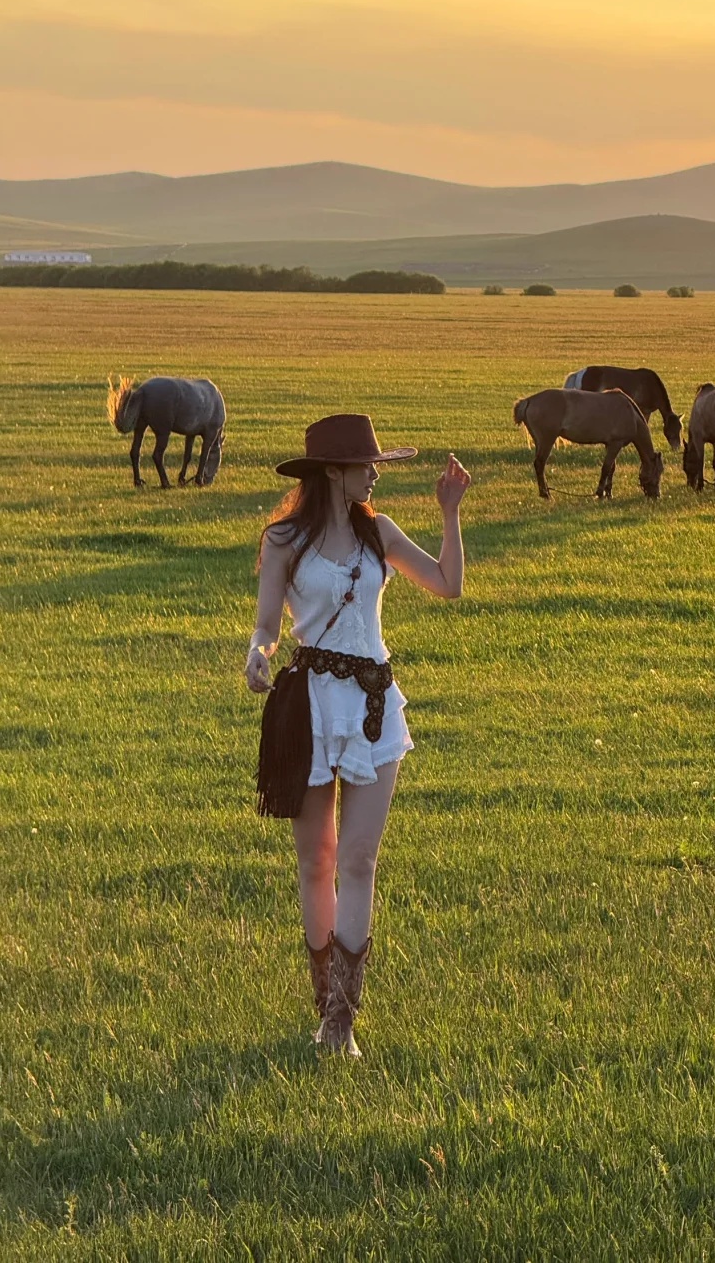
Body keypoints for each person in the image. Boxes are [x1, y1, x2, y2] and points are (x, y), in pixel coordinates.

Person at [245, 414, 470, 1056]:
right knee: (316, 860)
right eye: (366, 465)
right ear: (332, 472)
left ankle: (341, 1023)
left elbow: (448, 584)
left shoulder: (379, 532)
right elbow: (266, 624)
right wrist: (257, 653)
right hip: (310, 708)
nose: (375, 474)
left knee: (358, 859)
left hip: (373, 705)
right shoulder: (284, 539)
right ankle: (325, 1005)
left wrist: (450, 513)